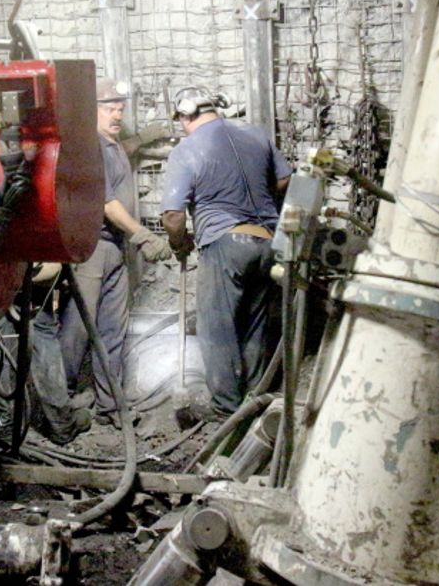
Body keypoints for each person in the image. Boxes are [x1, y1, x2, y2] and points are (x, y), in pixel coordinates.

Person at [161, 90, 291, 417]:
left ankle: (225, 410)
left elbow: (173, 216)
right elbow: (286, 177)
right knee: (255, 324)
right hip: (268, 242)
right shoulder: (255, 134)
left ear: (185, 116)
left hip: (225, 242)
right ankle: (254, 405)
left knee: (216, 327)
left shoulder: (187, 149)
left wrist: (180, 243)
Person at [58, 77, 172, 424]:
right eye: (109, 109)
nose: (117, 115)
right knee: (79, 328)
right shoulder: (91, 147)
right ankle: (60, 403)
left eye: (121, 109)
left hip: (115, 250)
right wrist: (144, 236)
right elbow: (106, 203)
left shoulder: (112, 145)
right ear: (92, 111)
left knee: (112, 330)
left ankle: (111, 406)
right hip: (92, 249)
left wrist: (147, 136)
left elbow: (126, 147)